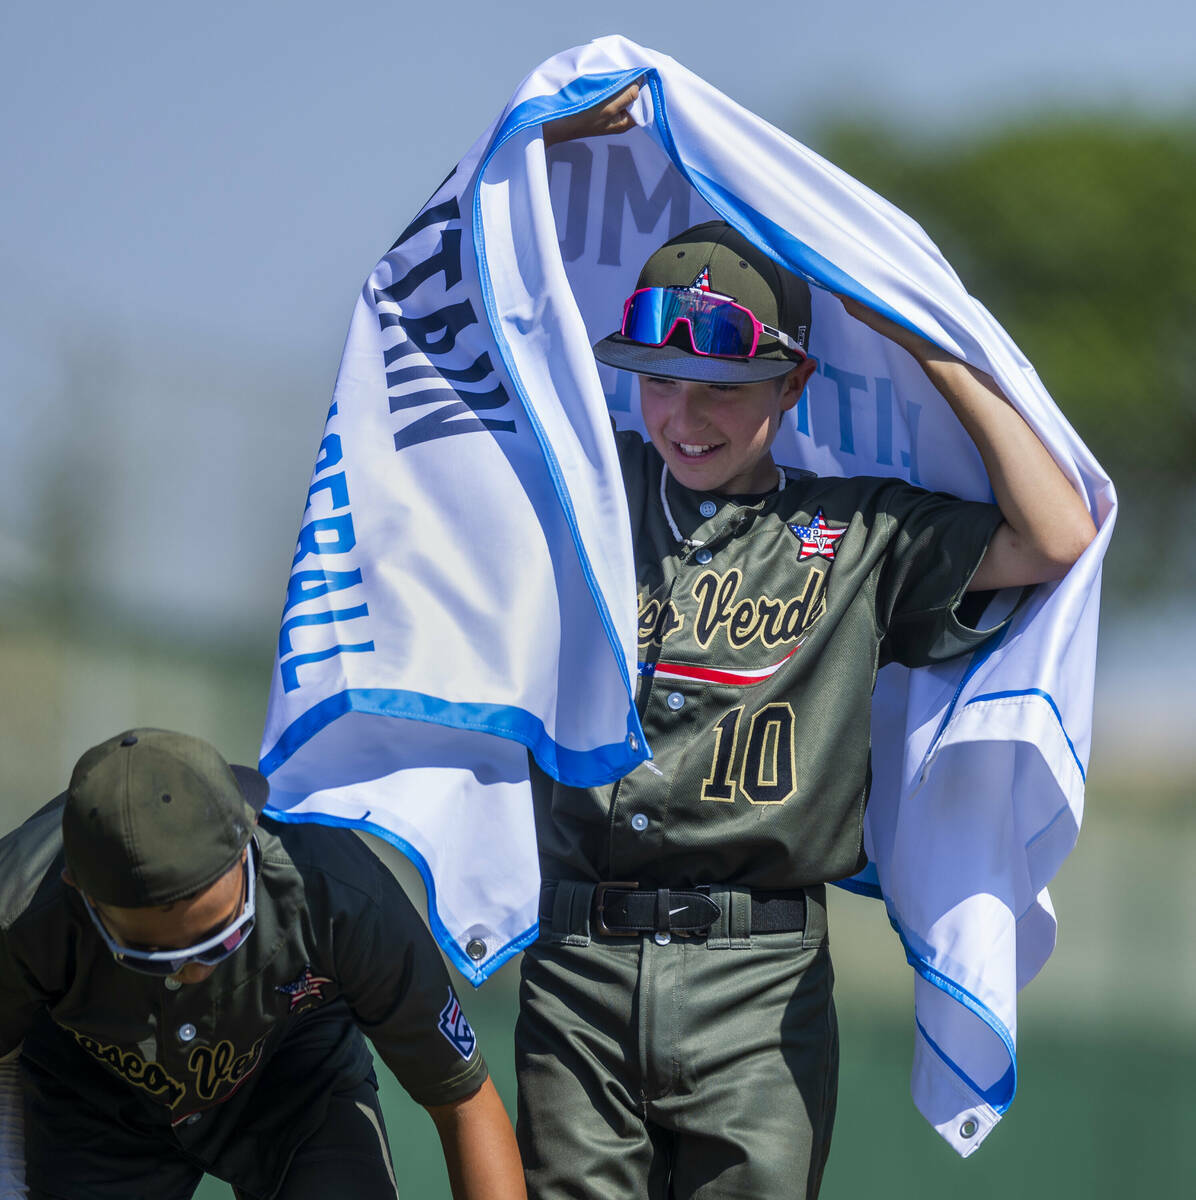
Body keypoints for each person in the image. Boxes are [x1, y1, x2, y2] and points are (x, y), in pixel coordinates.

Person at [517, 92, 1097, 1199]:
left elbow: (1053, 535)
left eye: (723, 387)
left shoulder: (861, 532)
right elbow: (471, 299)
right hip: (576, 960)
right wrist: (548, 142)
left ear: (790, 382)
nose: (683, 415)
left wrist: (926, 333)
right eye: (657, 379)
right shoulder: (587, 487)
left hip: (758, 980)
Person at [0, 727, 527, 1200]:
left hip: (290, 1075)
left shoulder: (339, 894)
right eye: (154, 958)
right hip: (99, 1100)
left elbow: (464, 1103)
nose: (192, 973)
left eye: (220, 941)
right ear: (81, 893)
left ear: (248, 835)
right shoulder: (18, 912)